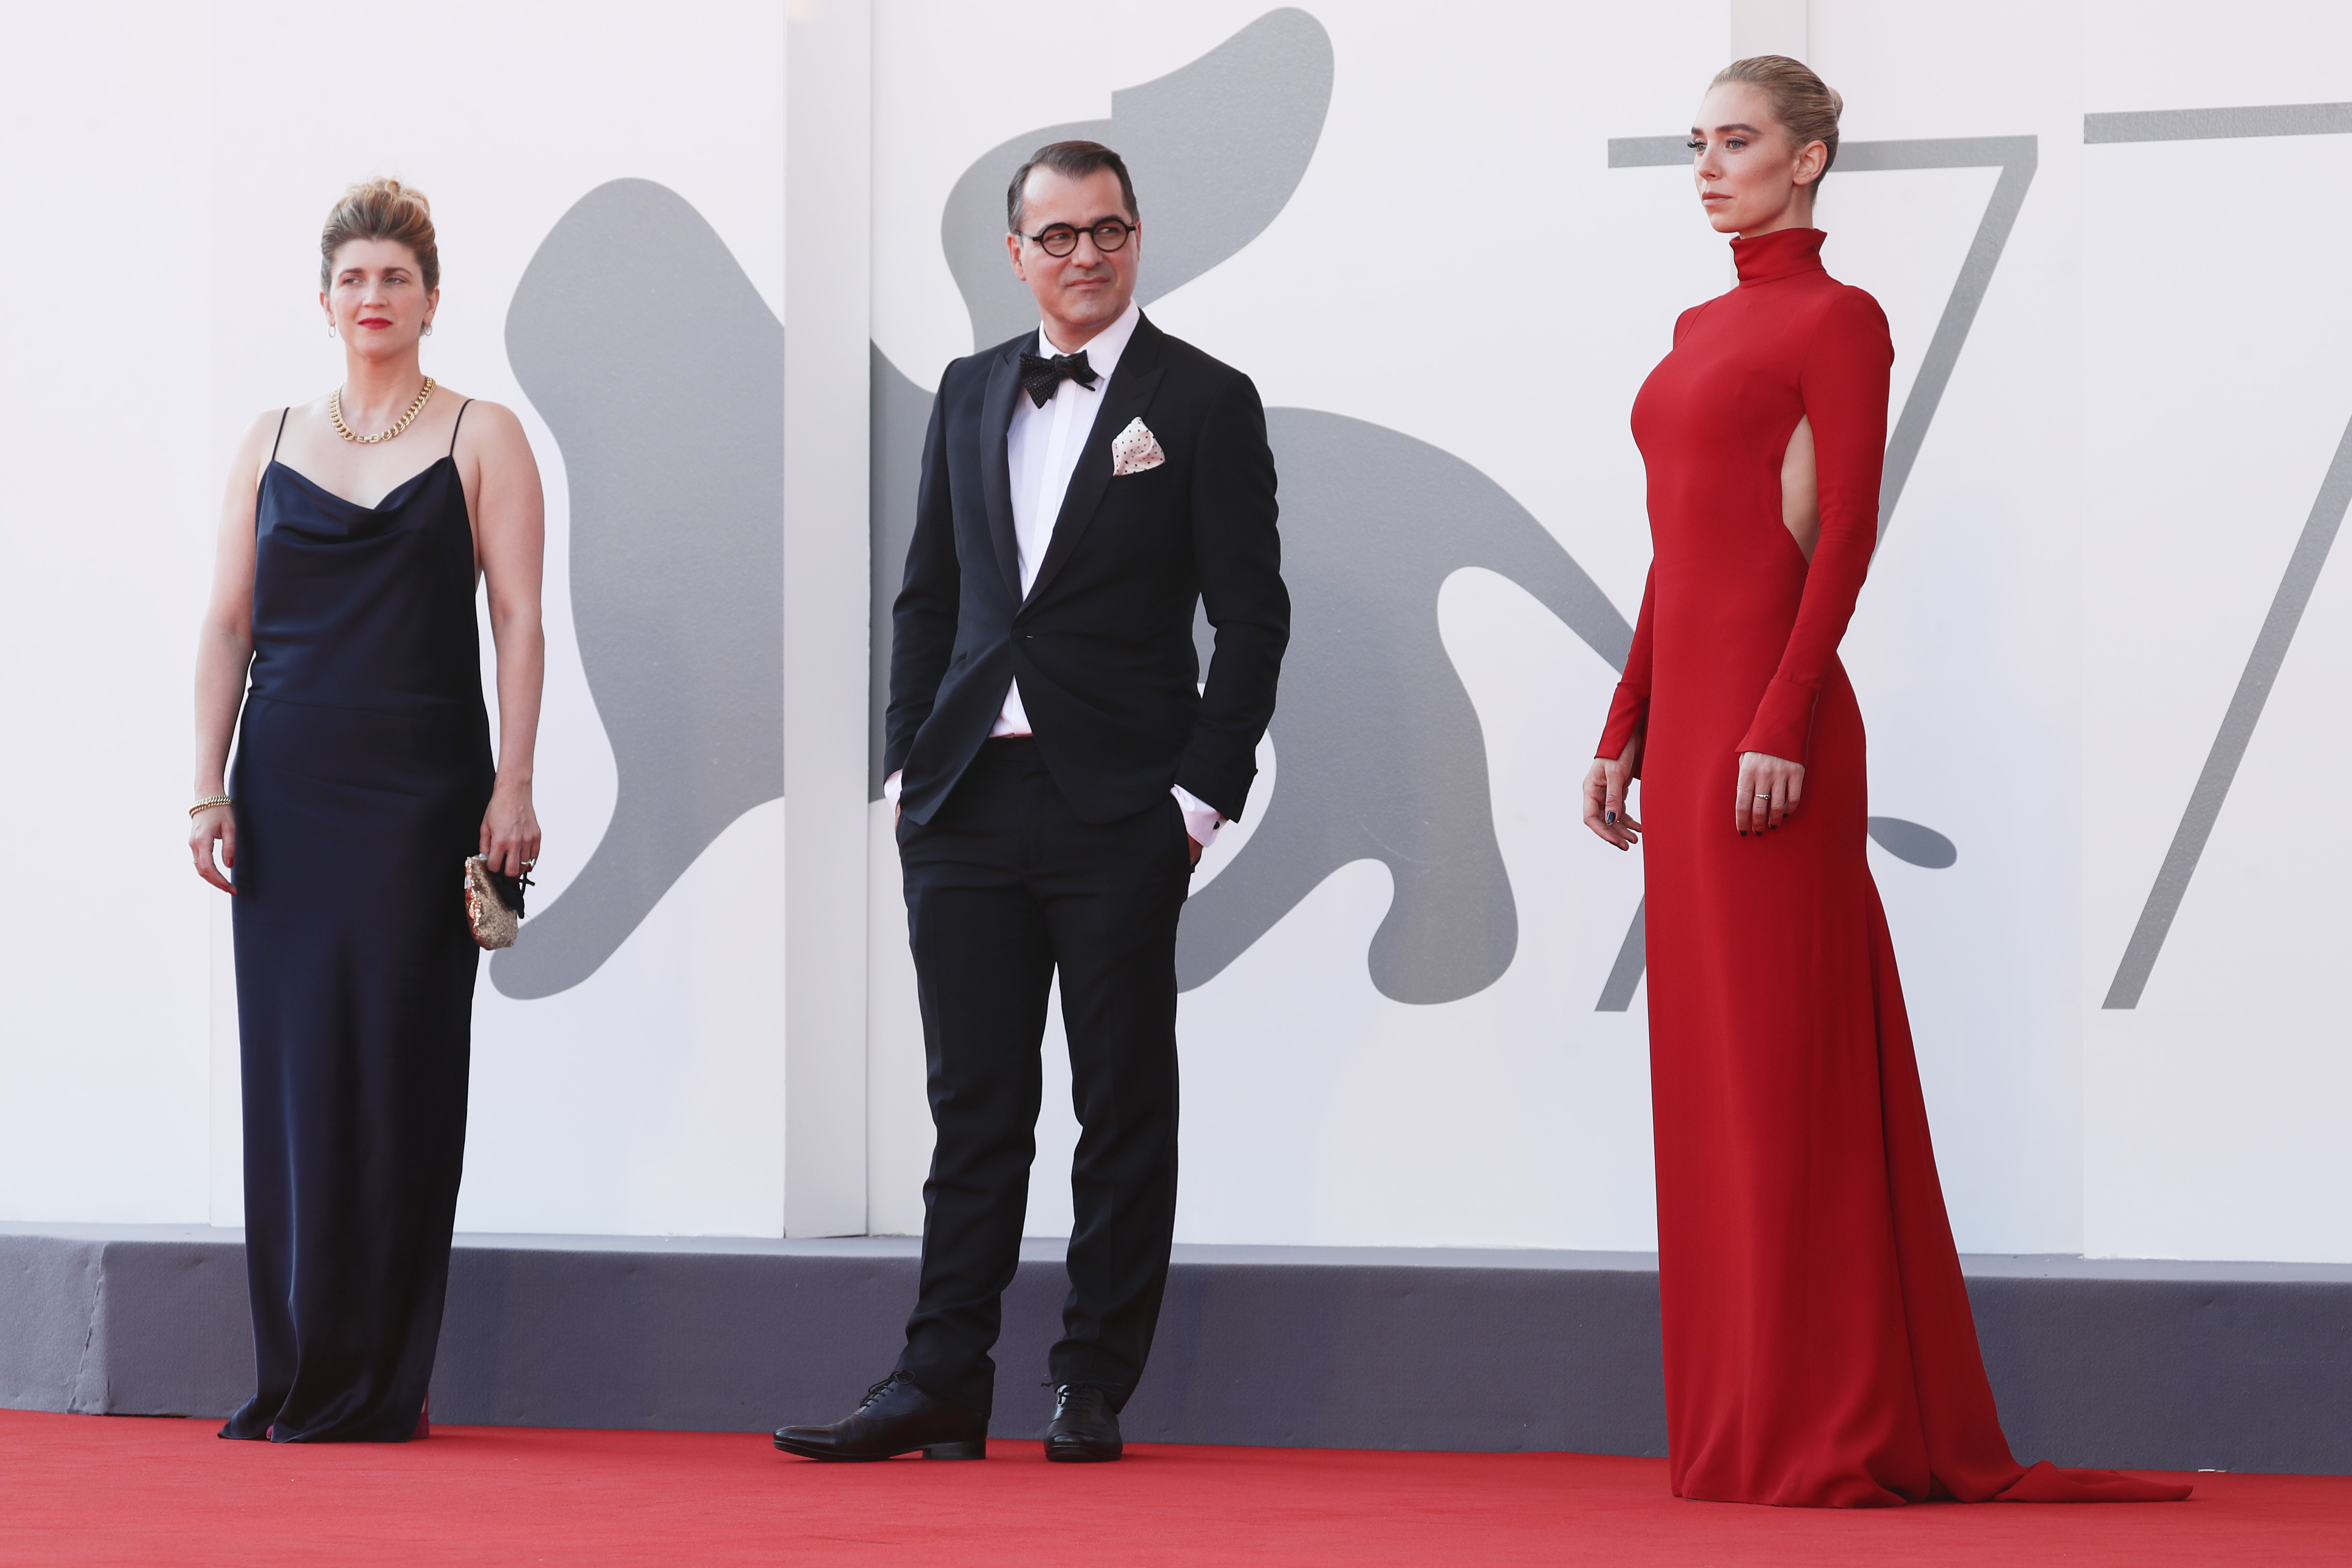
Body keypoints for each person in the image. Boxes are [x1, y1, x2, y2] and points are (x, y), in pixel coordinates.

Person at [1579, 58, 2189, 1507]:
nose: (1707, 166)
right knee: (1713, 1081)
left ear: (1808, 159)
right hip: (1693, 727)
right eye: (1696, 143)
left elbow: (1844, 525)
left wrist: (1781, 716)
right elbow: (1679, 550)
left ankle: (1827, 1420)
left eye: (1736, 142)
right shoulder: (1696, 328)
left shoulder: (1839, 319)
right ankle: (1740, 1420)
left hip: (1773, 733)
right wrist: (1625, 719)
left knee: (1784, 1073)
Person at [774, 141, 1287, 1464]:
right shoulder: (967, 389)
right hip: (964, 802)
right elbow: (928, 595)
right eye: (1056, 236)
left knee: (1120, 1101)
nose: (1084, 255)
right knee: (974, 1108)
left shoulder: (1205, 400)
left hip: (1121, 806)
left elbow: (1252, 617)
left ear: (1137, 237)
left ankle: (1091, 1381)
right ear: (1016, 255)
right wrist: (908, 770)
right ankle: (940, 1377)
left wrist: (1199, 797)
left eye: (1107, 229)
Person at [189, 178, 546, 1442]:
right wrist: (207, 783)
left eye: (396, 277)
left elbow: (518, 619)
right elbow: (228, 624)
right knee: (293, 1077)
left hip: (424, 794)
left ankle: (382, 1373)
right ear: (325, 300)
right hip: (287, 790)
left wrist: (514, 781)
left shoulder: (483, 434)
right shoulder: (271, 436)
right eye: (354, 278)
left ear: (432, 298)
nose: (374, 296)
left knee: (403, 1072)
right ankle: (300, 1364)